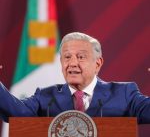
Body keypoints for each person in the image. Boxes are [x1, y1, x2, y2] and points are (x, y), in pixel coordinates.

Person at [0, 32, 150, 124]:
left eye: (81, 57)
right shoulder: (45, 97)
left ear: (98, 63)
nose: (72, 63)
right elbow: (15, 113)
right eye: (66, 57)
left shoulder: (123, 94)